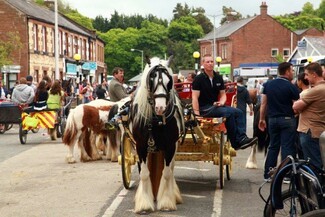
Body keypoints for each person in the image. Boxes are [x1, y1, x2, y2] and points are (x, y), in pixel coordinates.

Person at [192, 54, 257, 150]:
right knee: (229, 113)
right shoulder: (198, 79)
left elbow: (223, 94)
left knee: (239, 112)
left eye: (211, 61)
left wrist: (221, 102)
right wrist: (197, 115)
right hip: (204, 108)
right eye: (207, 62)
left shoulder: (218, 77)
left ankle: (242, 138)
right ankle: (236, 142)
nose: (210, 64)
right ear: (203, 64)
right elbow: (194, 97)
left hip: (216, 106)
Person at [259, 62, 300, 181]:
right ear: (287, 71)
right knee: (287, 147)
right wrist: (296, 114)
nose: (292, 73)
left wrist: (262, 119)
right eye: (292, 70)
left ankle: (268, 173)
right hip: (287, 119)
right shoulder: (292, 87)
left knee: (273, 146)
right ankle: (286, 174)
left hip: (272, 120)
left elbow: (263, 104)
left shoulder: (268, 85)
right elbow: (296, 105)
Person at [293, 62, 325, 169]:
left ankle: (316, 185)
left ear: (314, 74)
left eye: (307, 74)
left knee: (313, 164)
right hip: (320, 130)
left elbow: (296, 107)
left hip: (309, 131)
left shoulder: (315, 91)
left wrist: (297, 102)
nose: (305, 77)